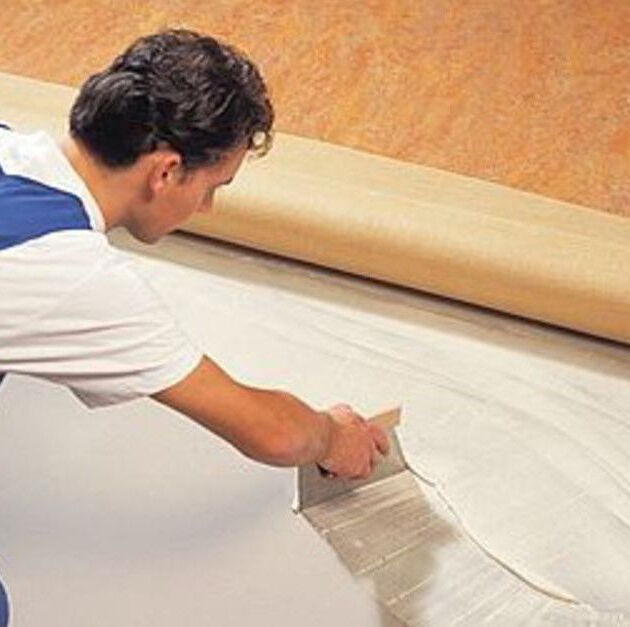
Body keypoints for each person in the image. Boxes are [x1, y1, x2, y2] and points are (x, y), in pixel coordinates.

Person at [0, 29, 389, 481]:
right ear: (166, 171)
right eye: (212, 188)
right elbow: (274, 434)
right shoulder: (73, 274)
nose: (206, 208)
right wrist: (331, 436)